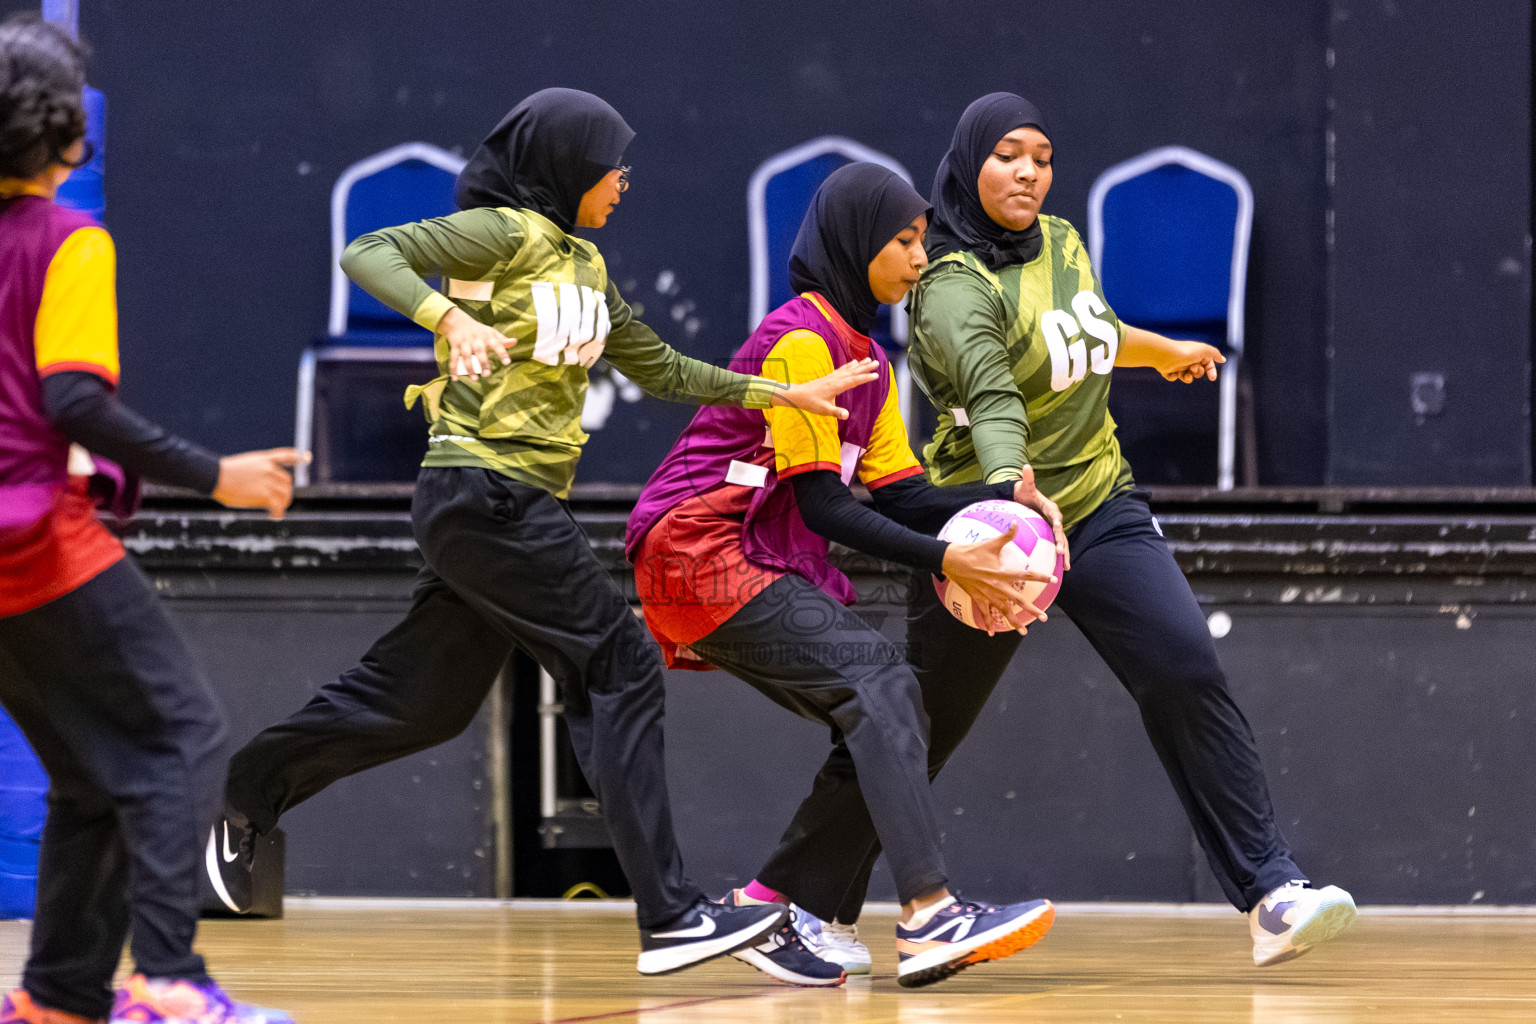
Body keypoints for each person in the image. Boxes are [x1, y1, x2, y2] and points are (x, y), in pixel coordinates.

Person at [207, 88, 873, 977]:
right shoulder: (503, 232)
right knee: (620, 662)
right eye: (613, 165)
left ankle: (250, 792)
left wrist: (779, 395)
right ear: (568, 166)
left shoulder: (586, 266)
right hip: (482, 489)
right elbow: (367, 251)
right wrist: (449, 316)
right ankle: (672, 915)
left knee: (424, 702)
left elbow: (663, 368)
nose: (625, 181)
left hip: (505, 506)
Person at [748, 93, 1357, 970]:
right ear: (968, 166)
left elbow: (1092, 333)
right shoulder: (952, 287)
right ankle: (803, 906)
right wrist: (1006, 489)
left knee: (1185, 666)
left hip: (1101, 507)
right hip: (990, 530)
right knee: (917, 725)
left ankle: (1270, 893)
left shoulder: (1065, 241)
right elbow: (994, 396)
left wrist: (1162, 351)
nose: (1028, 171)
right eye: (1007, 155)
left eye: (1041, 155)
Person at [626, 163, 1065, 989]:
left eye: (924, 241)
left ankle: (772, 905)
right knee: (882, 684)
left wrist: (1007, 502)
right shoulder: (800, 340)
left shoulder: (866, 356)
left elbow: (905, 495)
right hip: (696, 552)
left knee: (879, 711)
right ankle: (932, 915)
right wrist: (948, 558)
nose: (920, 258)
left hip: (738, 557)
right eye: (902, 241)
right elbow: (825, 507)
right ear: (855, 244)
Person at [0, 15, 303, 1024]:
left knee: (91, 773)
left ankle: (57, 994)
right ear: (65, 131)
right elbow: (73, 402)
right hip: (38, 537)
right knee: (181, 736)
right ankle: (166, 975)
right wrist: (216, 473)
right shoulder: (68, 242)